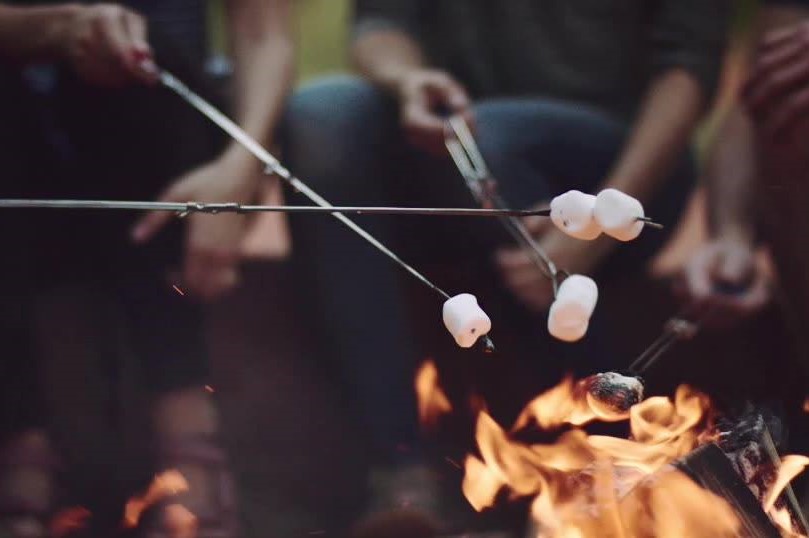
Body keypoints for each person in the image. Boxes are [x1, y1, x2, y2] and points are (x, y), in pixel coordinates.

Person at [280, 0, 729, 532]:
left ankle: (608, 468)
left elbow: (688, 71)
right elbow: (382, 25)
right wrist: (409, 79)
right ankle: (401, 473)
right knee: (320, 116)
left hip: (625, 164)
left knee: (490, 138)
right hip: (453, 150)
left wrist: (604, 218)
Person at [0, 1, 293, 536]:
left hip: (165, 144)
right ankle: (21, 435)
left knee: (139, 54)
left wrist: (240, 172)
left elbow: (266, 34)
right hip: (23, 162)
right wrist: (58, 28)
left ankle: (187, 424)